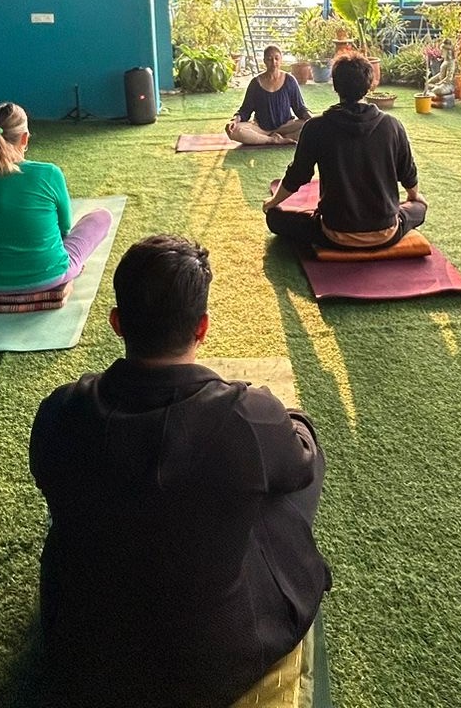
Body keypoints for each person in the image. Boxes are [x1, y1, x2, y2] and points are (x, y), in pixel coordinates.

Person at [30, 235, 329, 708]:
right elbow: (301, 463)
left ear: (117, 324)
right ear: (203, 328)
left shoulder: (61, 411)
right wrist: (290, 419)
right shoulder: (249, 416)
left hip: (84, 651)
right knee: (297, 471)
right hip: (216, 663)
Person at [263, 52, 426, 250]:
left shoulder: (316, 127)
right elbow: (408, 173)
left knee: (274, 218)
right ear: (370, 84)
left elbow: (297, 175)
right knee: (420, 207)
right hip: (386, 232)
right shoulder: (393, 125)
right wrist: (413, 196)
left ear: (335, 85)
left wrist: (273, 202)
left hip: (334, 233)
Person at [0, 102, 111, 293]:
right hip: (50, 275)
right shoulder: (49, 173)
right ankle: (70, 267)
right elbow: (64, 228)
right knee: (101, 216)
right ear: (25, 138)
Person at [226, 45, 311, 146]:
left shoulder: (290, 80)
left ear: (281, 60)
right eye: (269, 59)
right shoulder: (255, 83)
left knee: (308, 126)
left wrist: (312, 119)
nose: (273, 62)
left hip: (286, 127)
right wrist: (234, 121)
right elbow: (245, 110)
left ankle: (278, 138)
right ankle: (272, 140)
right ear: (264, 61)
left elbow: (300, 108)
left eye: (276, 58)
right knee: (234, 130)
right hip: (260, 128)